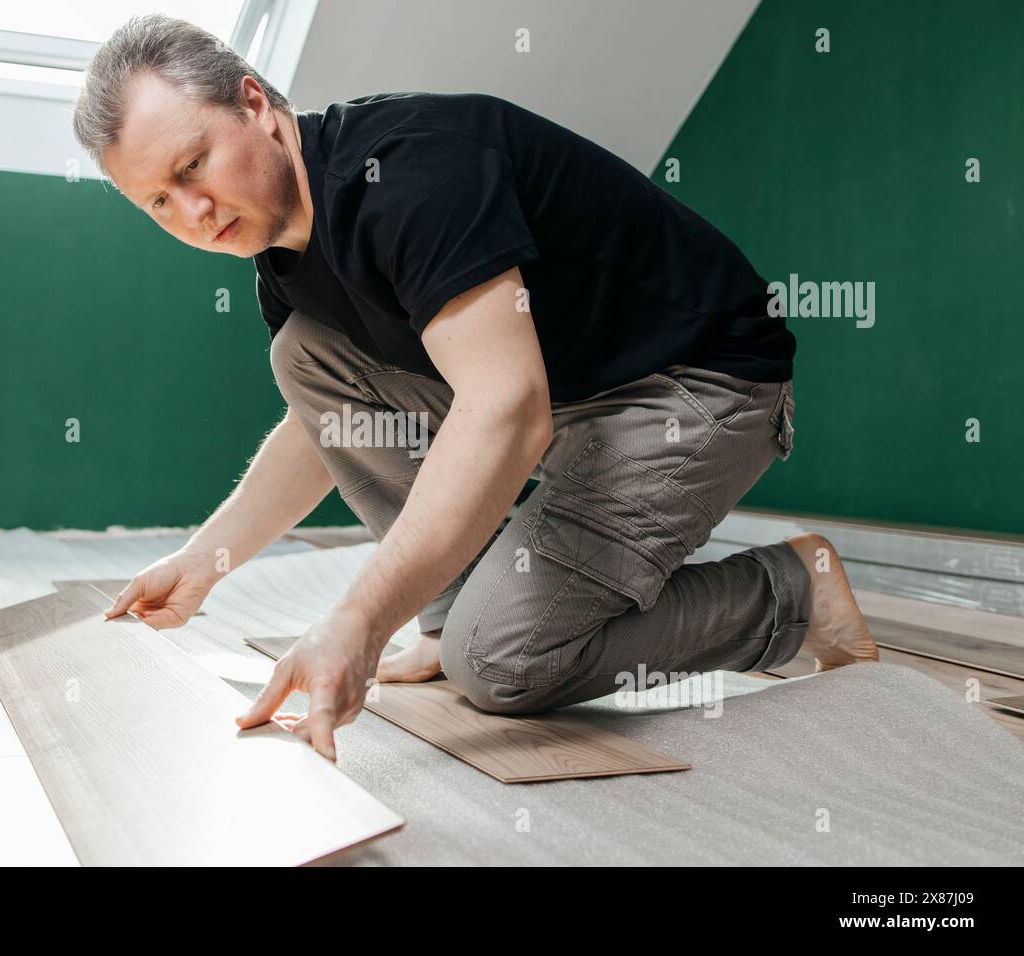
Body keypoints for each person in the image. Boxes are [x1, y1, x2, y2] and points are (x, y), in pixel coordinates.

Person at [74, 15, 878, 762]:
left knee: (503, 665)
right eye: (159, 201)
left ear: (254, 103)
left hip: (694, 385)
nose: (194, 210)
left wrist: (356, 622)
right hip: (560, 390)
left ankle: (790, 592)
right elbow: (323, 428)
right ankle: (450, 612)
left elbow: (506, 409)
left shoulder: (413, 174)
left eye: (193, 165)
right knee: (304, 359)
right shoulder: (282, 261)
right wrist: (204, 560)